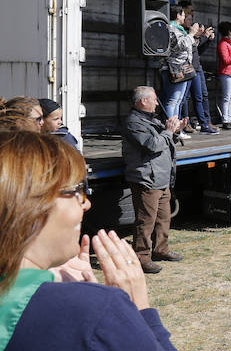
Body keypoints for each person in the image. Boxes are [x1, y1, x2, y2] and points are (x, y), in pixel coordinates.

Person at [0, 130, 178, 350]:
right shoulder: (97, 311)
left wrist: (69, 295)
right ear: (33, 204)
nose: (86, 204)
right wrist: (137, 308)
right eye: (78, 191)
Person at [122, 86, 186, 274]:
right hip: (146, 179)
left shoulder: (151, 120)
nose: (157, 103)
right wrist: (168, 131)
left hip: (160, 178)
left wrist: (175, 131)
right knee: (145, 221)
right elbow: (153, 145)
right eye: (154, 100)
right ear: (143, 101)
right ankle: (142, 257)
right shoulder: (133, 123)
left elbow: (165, 141)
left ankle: (161, 249)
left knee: (163, 218)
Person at [177, 0, 217, 135]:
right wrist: (199, 36)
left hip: (196, 67)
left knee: (201, 96)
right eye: (189, 15)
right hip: (187, 67)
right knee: (183, 98)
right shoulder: (183, 34)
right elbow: (188, 49)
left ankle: (205, 123)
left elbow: (197, 51)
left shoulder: (192, 34)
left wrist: (206, 39)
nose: (191, 18)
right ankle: (184, 123)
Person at [159, 5, 199, 132]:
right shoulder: (171, 28)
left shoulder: (178, 29)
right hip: (174, 68)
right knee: (172, 100)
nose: (184, 17)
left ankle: (176, 130)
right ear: (177, 15)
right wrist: (191, 33)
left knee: (177, 101)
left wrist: (195, 36)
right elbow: (180, 45)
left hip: (181, 68)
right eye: (183, 14)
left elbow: (189, 46)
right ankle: (172, 130)